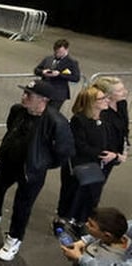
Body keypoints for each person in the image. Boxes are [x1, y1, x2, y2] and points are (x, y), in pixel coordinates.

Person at [0, 79, 75, 262]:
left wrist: (42, 163)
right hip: (9, 162)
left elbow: (64, 151)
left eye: (29, 95)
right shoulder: (17, 110)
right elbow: (10, 128)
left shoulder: (57, 122)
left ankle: (14, 239)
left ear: (43, 100)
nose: (24, 97)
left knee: (22, 206)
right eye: (25, 92)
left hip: (32, 171)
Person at [55, 86, 113, 232]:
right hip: (78, 164)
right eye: (102, 98)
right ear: (92, 102)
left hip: (96, 164)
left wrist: (113, 154)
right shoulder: (79, 120)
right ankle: (62, 218)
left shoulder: (104, 119)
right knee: (71, 192)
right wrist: (101, 153)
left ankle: (80, 221)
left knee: (90, 195)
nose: (107, 100)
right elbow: (79, 144)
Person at [61, 207, 132, 265]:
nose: (86, 224)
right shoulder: (118, 236)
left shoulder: (110, 259)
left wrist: (79, 258)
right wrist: (83, 242)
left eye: (91, 225)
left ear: (107, 235)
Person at [34, 39, 81, 110]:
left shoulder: (72, 62)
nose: (57, 54)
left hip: (58, 94)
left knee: (51, 114)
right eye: (56, 51)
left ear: (66, 50)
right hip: (43, 91)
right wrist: (43, 72)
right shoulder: (48, 59)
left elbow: (76, 78)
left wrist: (59, 75)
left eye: (60, 52)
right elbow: (36, 70)